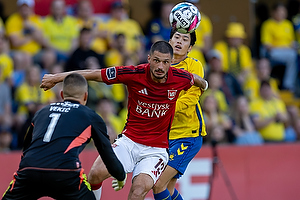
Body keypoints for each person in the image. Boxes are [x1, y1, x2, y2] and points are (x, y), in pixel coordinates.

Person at [40, 40, 208, 200]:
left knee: (139, 189)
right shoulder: (133, 73)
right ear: (149, 59)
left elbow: (197, 80)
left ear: (171, 62)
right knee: (95, 174)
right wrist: (56, 78)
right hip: (129, 142)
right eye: (156, 61)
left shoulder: (181, 77)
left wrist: (205, 85)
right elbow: (94, 74)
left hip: (156, 150)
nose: (160, 67)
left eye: (165, 62)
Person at [2, 73, 126, 200]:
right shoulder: (91, 116)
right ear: (85, 96)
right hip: (65, 174)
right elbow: (106, 152)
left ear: (62, 95)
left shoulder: (41, 112)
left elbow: (26, 148)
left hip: (29, 171)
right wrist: (120, 175)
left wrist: (26, 171)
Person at [152, 29, 207, 200]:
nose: (179, 41)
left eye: (184, 39)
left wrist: (167, 107)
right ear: (169, 41)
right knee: (167, 189)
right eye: (176, 37)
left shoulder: (194, 65)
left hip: (188, 134)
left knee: (158, 184)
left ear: (190, 48)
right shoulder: (160, 66)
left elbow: (192, 97)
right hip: (167, 135)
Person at [261, 3, 298, 91]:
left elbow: (291, 41)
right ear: (273, 12)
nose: (282, 14)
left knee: (294, 56)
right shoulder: (267, 24)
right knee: (292, 56)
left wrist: (294, 46)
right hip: (273, 52)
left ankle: (289, 85)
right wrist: (284, 48)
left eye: (283, 12)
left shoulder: (288, 24)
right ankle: (288, 84)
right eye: (279, 11)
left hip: (288, 51)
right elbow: (267, 45)